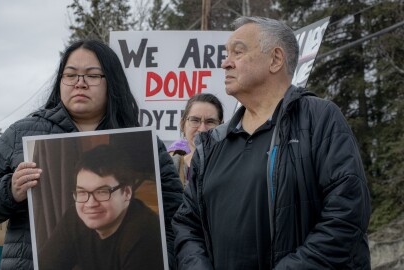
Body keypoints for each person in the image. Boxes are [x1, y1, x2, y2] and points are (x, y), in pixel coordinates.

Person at [0, 39, 183, 270]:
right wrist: (10, 190)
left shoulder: (143, 141)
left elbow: (177, 216)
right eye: (70, 75)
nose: (80, 83)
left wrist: (162, 259)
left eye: (92, 75)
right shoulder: (22, 132)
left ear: (112, 81)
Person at [172, 16, 371, 269]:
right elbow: (187, 225)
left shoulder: (319, 119)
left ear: (276, 59)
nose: (225, 63)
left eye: (238, 52)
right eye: (226, 54)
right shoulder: (211, 144)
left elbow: (347, 215)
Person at [39, 144, 164, 270]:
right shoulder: (75, 218)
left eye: (102, 191)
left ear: (126, 193)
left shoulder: (146, 234)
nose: (90, 204)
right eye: (82, 192)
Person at [168, 93, 223, 187]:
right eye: (195, 120)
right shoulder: (171, 167)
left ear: (221, 126)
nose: (202, 129)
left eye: (210, 122)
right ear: (182, 124)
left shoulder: (231, 167)